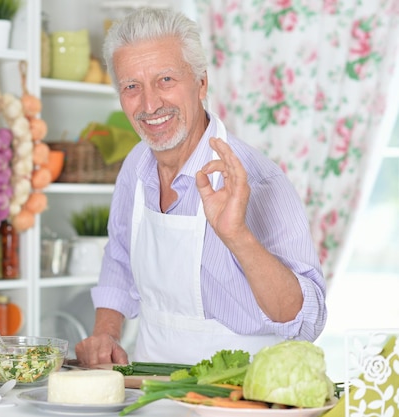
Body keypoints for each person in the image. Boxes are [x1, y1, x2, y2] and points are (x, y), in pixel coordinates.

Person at [74, 7, 327, 366]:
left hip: (239, 393)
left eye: (165, 80)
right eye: (132, 86)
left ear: (201, 83)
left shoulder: (259, 181)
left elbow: (307, 322)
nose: (149, 104)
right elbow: (119, 258)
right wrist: (105, 333)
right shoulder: (135, 166)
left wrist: (237, 234)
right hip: (152, 388)